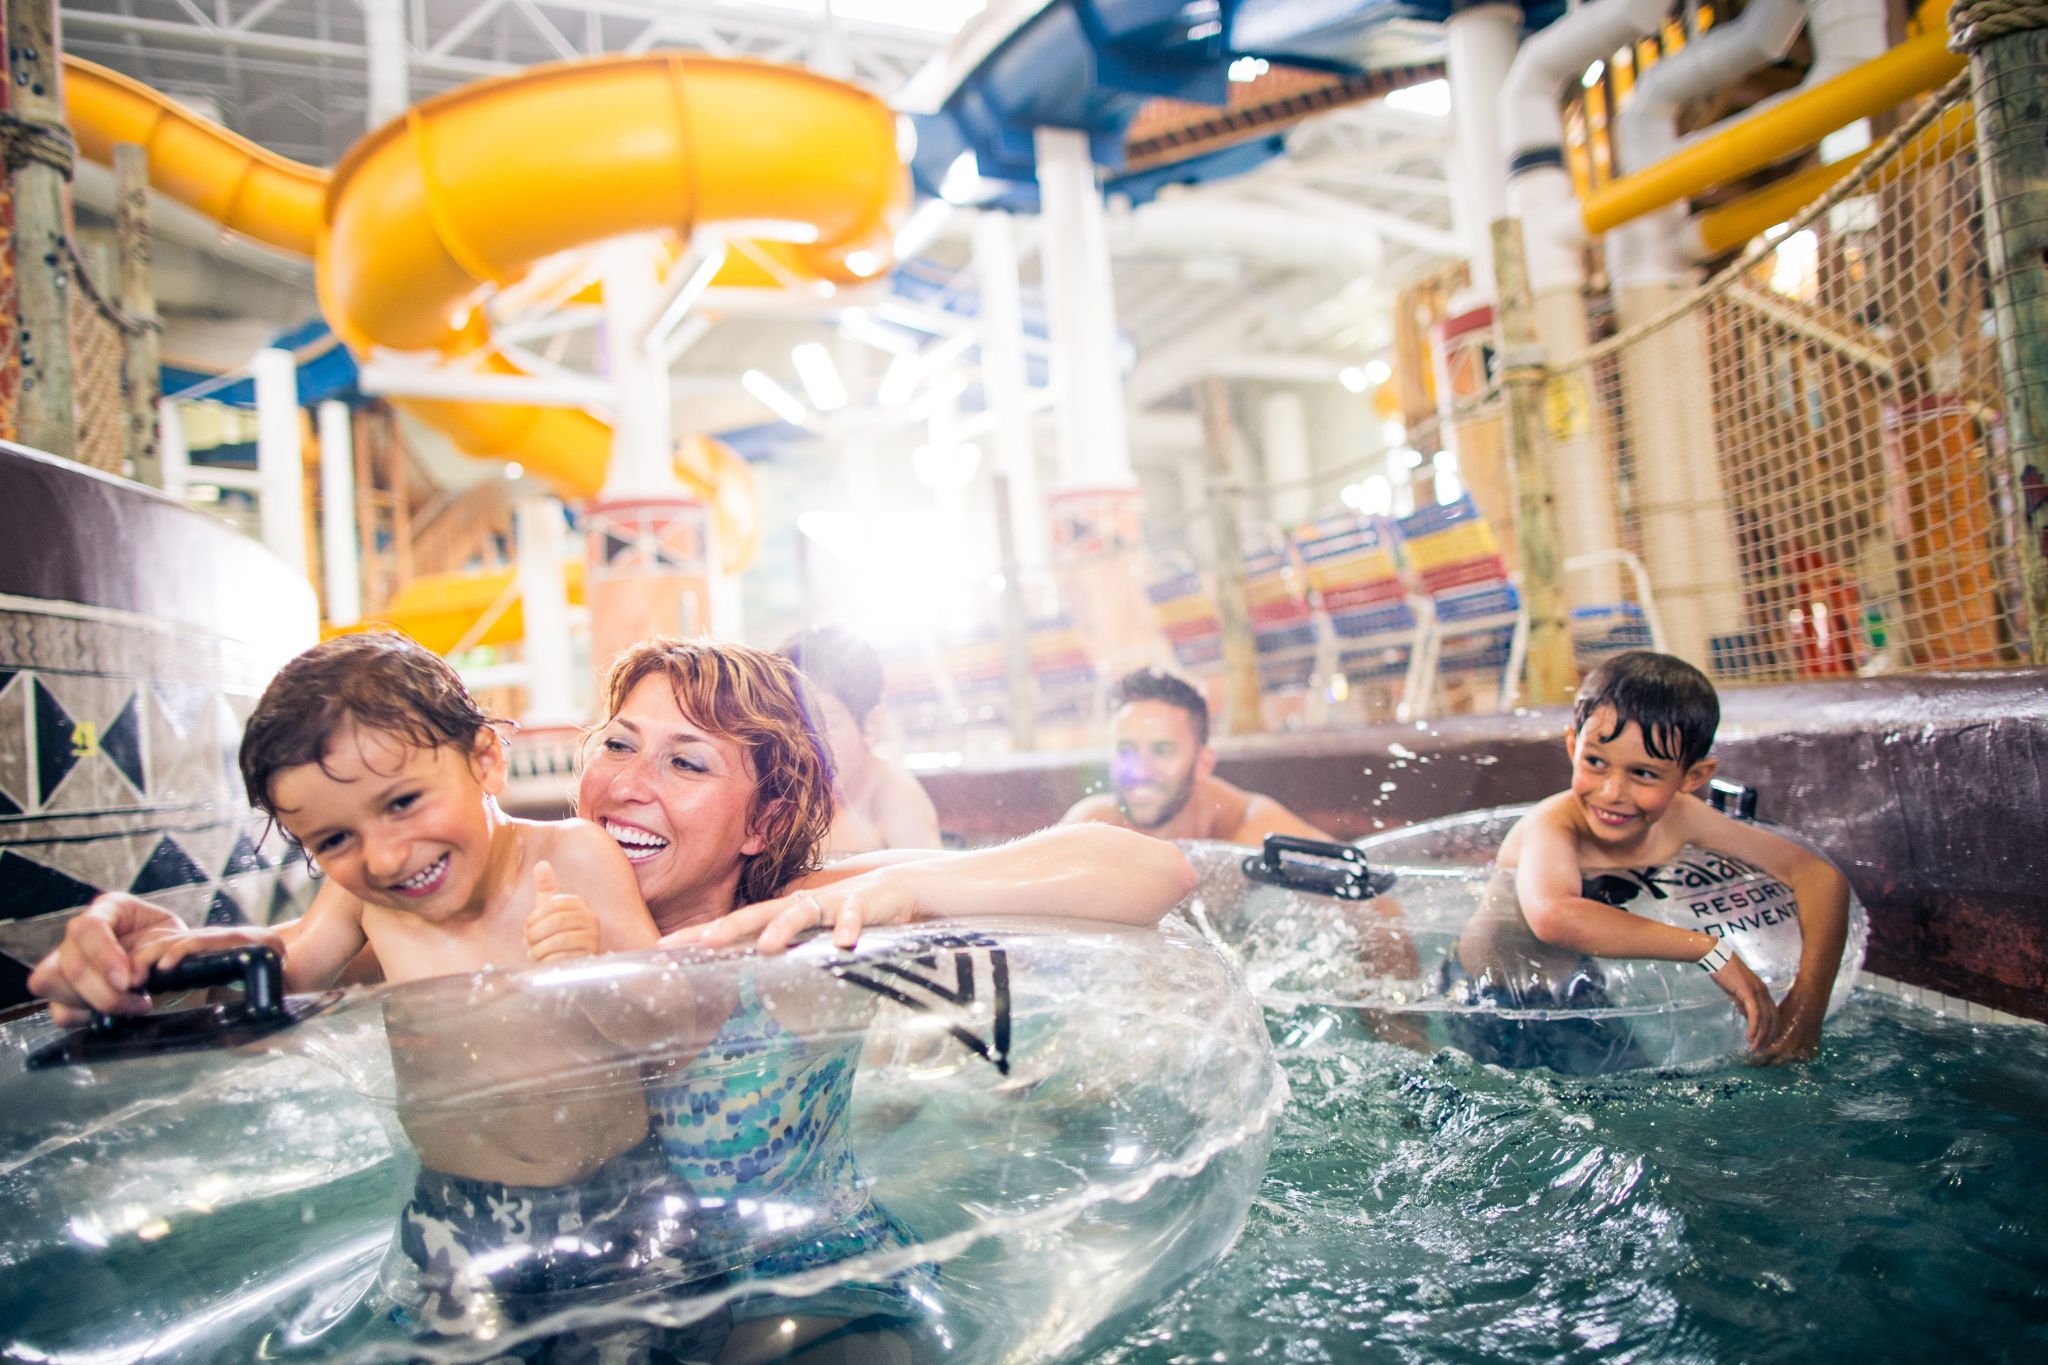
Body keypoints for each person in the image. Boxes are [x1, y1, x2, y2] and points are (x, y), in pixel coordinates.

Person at [27, 632, 687, 1352]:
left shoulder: (575, 855)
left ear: (486, 760)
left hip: (616, 1198)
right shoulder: (370, 901)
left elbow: (676, 1025)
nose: (382, 855)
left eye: (403, 800)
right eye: (334, 840)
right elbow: (284, 969)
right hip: (457, 1213)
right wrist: (159, 962)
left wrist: (591, 966)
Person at [1468, 650, 1850, 1065]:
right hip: (1492, 999)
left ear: (1694, 777)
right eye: (1595, 762)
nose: (1613, 791)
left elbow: (1816, 875)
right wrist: (1709, 950)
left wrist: (1807, 1006)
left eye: (1643, 774)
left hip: (1580, 984)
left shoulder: (1685, 818)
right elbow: (1554, 916)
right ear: (1572, 745)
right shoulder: (1552, 825)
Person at [1059, 667, 1334, 845]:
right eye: (1126, 751)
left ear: (1204, 764)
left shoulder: (1251, 830)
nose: (1139, 771)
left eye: (1162, 751)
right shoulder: (1094, 827)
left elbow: (1371, 903)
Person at [779, 626, 941, 857]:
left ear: (870, 725)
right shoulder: (782, 794)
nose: (800, 742)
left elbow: (933, 883)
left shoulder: (891, 793)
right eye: (785, 724)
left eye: (821, 726)